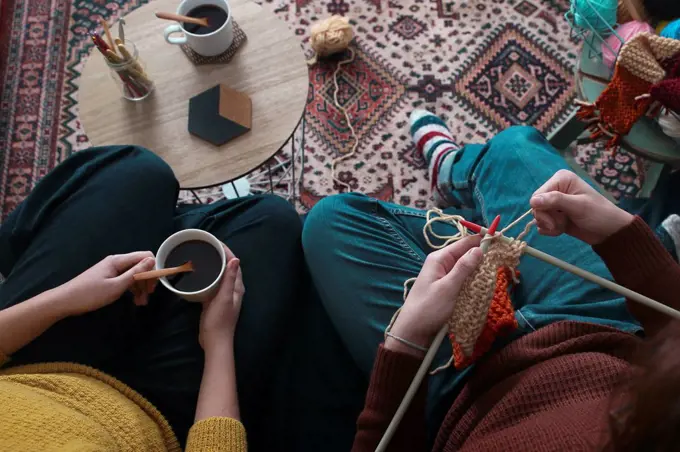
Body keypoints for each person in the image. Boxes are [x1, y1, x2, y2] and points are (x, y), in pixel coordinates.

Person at [302, 110, 680, 451]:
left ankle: (468, 198)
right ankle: (451, 172)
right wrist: (626, 239)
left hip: (462, 393)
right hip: (596, 328)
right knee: (514, 146)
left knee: (331, 219)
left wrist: (406, 341)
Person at [0, 145, 303, 450]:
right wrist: (218, 340)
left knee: (140, 169)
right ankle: (175, 225)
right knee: (271, 219)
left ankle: (16, 254)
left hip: (29, 363)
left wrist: (67, 297)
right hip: (154, 418)